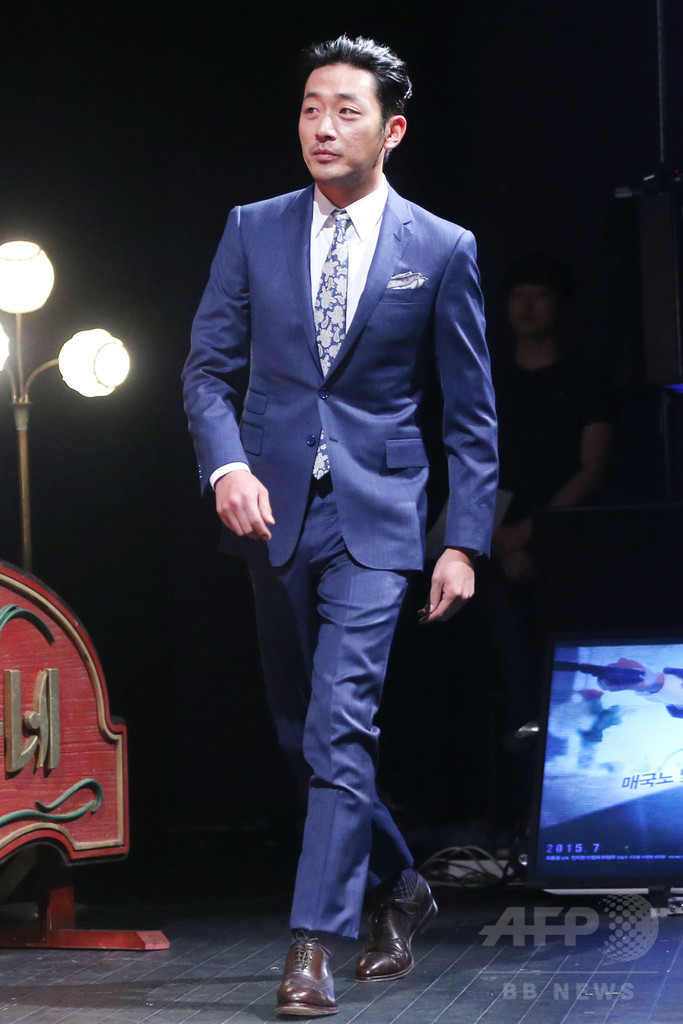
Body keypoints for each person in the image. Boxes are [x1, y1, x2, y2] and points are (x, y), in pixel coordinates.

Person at [183, 35, 498, 1017]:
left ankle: (310, 944)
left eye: (345, 110)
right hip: (271, 509)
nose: (322, 126)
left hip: (379, 516)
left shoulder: (439, 248)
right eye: (310, 107)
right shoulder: (252, 228)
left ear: (390, 129)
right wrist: (227, 465)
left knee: (341, 723)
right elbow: (205, 370)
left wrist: (461, 540)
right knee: (299, 735)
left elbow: (470, 413)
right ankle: (400, 879)